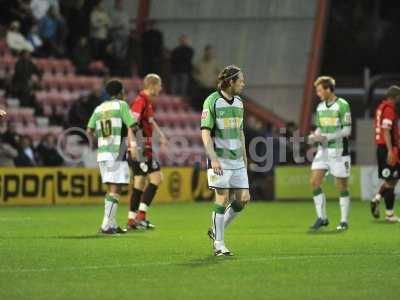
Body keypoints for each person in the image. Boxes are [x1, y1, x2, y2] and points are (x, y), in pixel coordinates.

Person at [201, 65, 250, 256]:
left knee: (243, 199)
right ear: (230, 82)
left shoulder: (239, 103)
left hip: (237, 159)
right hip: (219, 159)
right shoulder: (212, 101)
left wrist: (245, 156)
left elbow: (240, 131)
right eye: (241, 80)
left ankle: (215, 231)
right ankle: (219, 243)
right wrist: (213, 158)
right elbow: (205, 132)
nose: (243, 84)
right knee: (222, 198)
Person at [86, 79, 138, 234]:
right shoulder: (121, 105)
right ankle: (106, 225)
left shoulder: (99, 108)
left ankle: (112, 223)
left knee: (112, 188)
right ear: (121, 92)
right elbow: (132, 126)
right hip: (117, 150)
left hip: (102, 152)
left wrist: (101, 139)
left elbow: (89, 130)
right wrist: (133, 146)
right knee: (116, 188)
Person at [308, 76, 352, 231]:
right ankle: (322, 217)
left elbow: (347, 130)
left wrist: (327, 136)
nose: (318, 93)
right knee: (314, 181)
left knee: (341, 186)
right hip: (324, 150)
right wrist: (314, 136)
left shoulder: (342, 105)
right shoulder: (320, 107)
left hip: (340, 150)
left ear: (328, 89)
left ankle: (344, 220)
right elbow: (320, 128)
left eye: (320, 90)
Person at [126, 74, 168, 230]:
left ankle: (132, 220)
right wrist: (132, 145)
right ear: (152, 85)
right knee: (157, 178)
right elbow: (130, 125)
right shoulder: (140, 101)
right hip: (141, 148)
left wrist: (161, 135)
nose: (161, 88)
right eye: (159, 85)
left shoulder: (147, 102)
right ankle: (141, 216)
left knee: (139, 181)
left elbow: (150, 121)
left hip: (144, 147)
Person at [370, 86, 400, 222]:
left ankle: (376, 199)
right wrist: (390, 150)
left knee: (393, 179)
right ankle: (389, 215)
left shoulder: (382, 107)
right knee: (390, 182)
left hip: (385, 148)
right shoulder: (389, 109)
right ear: (395, 97)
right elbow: (386, 130)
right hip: (386, 149)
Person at [192, 45, 220, 111]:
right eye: (208, 52)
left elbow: (219, 74)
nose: (209, 54)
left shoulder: (215, 63)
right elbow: (194, 73)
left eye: (211, 52)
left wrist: (215, 81)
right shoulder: (199, 62)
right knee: (200, 105)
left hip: (211, 87)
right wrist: (199, 79)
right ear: (205, 52)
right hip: (201, 87)